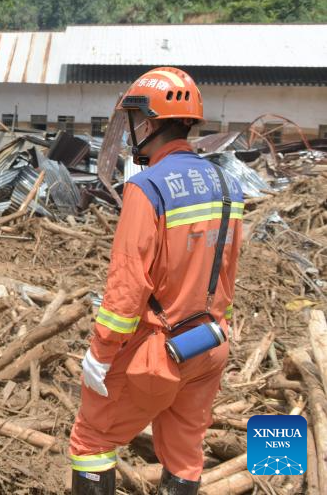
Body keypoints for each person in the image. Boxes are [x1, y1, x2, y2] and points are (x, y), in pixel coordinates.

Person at [69, 68, 243, 494]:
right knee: (185, 452)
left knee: (91, 441)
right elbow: (228, 271)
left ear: (148, 123)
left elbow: (127, 285)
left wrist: (101, 351)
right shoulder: (228, 185)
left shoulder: (146, 188)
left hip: (157, 354)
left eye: (134, 122)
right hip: (210, 344)